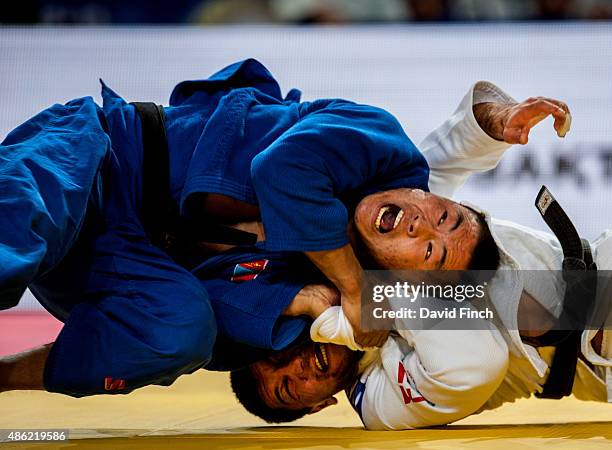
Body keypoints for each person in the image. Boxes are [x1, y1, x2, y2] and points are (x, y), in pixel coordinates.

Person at [0, 60, 568, 398]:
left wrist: (317, 297)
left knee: (184, 334)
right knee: (16, 238)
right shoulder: (381, 146)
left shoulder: (311, 269)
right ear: (430, 192)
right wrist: (350, 286)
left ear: (393, 275)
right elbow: (284, 170)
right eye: (443, 214)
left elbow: (229, 313)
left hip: (113, 265)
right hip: (100, 158)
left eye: (427, 251)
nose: (424, 225)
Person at [232, 85, 611, 430]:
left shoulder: (390, 231)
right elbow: (472, 363)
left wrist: (497, 120)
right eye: (287, 388)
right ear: (318, 406)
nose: (296, 365)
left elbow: (453, 146)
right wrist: (343, 313)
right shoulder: (380, 403)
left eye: (277, 350)